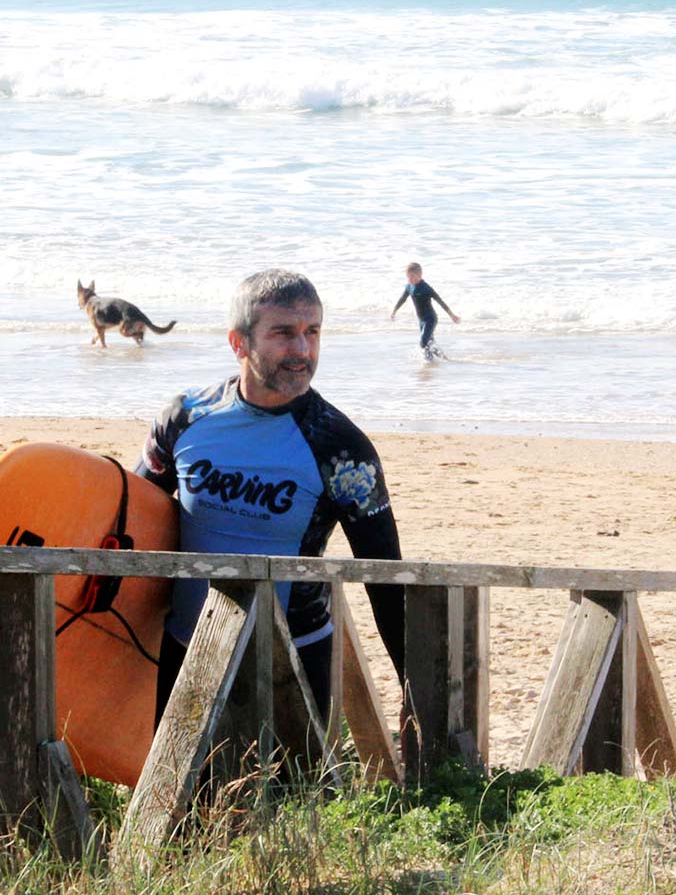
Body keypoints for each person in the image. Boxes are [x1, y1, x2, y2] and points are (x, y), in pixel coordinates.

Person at [137, 269, 404, 725]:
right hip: (186, 652)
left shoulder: (340, 449)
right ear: (238, 342)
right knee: (183, 795)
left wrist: (410, 686)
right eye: (283, 333)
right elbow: (128, 518)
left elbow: (385, 577)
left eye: (312, 332)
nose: (302, 350)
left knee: (296, 796)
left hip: (294, 659)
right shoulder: (183, 419)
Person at [391, 261, 460, 360]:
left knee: (423, 342)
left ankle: (431, 363)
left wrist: (451, 315)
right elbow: (402, 299)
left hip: (430, 319)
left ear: (419, 275)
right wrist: (394, 311)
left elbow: (440, 301)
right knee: (429, 344)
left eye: (412, 277)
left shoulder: (426, 288)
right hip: (421, 321)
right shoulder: (409, 286)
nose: (409, 280)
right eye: (408, 277)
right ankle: (437, 363)